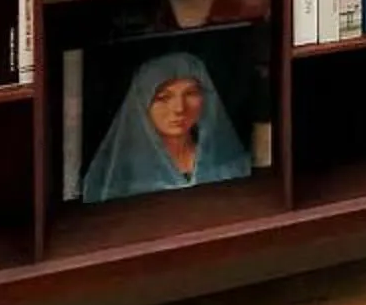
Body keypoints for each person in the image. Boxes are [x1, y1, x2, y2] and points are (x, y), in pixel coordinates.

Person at [80, 48, 252, 203]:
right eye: (163, 97)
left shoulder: (230, 164)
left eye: (190, 93)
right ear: (142, 104)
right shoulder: (118, 178)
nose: (179, 108)